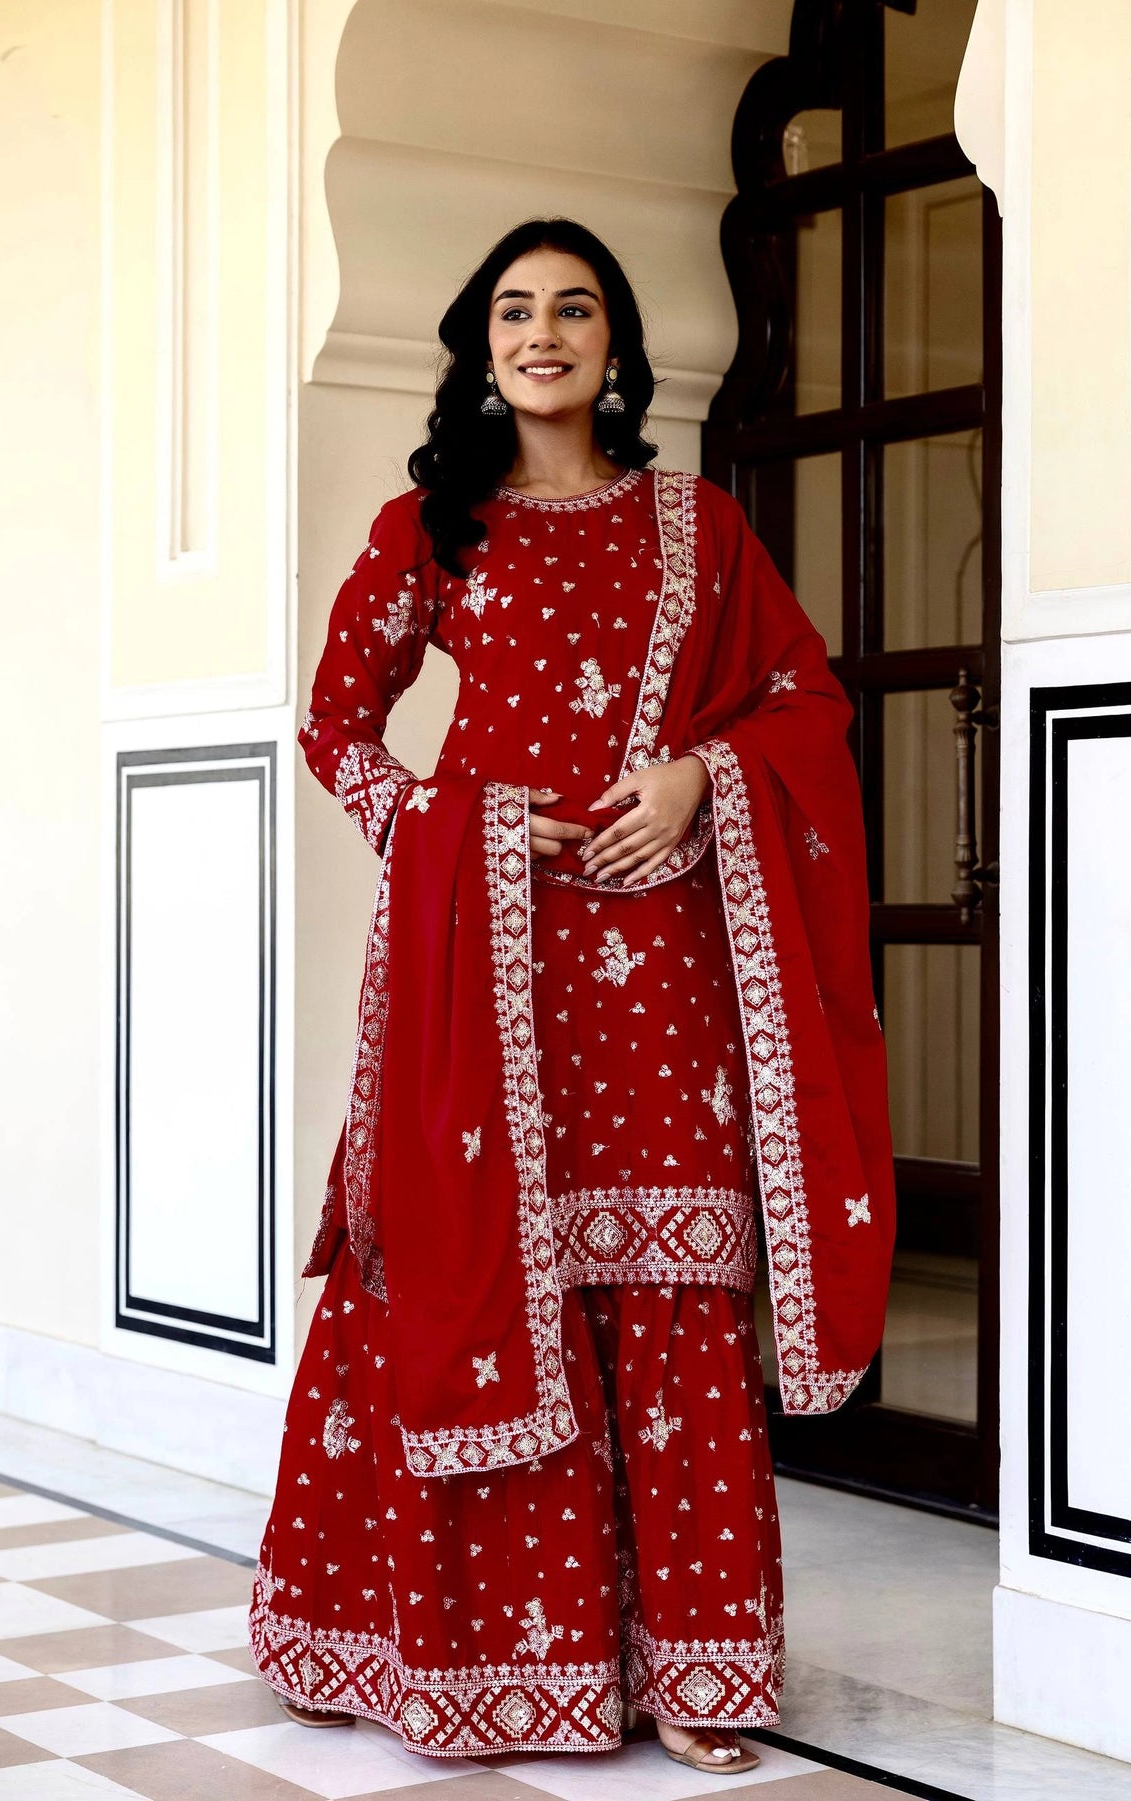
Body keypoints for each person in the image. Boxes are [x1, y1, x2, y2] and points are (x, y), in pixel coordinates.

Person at [248, 218, 894, 1775]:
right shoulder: (434, 528)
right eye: (516, 311)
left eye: (576, 308)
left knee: (668, 1271)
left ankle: (695, 1672)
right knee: (469, 1265)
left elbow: (806, 700)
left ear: (616, 346)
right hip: (486, 963)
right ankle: (428, 1649)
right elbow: (335, 726)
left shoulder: (700, 528)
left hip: (664, 967)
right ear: (483, 347)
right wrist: (456, 819)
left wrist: (698, 776)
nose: (544, 333)